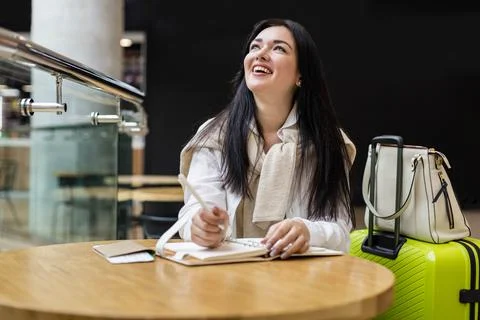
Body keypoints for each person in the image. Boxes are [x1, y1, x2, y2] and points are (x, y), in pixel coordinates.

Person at [177, 18, 356, 259]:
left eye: (279, 48)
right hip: (225, 273)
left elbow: (342, 232)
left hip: (299, 280)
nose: (261, 54)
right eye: (255, 47)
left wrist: (308, 231)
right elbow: (195, 210)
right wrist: (199, 226)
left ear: (301, 75)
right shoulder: (214, 134)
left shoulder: (327, 142)